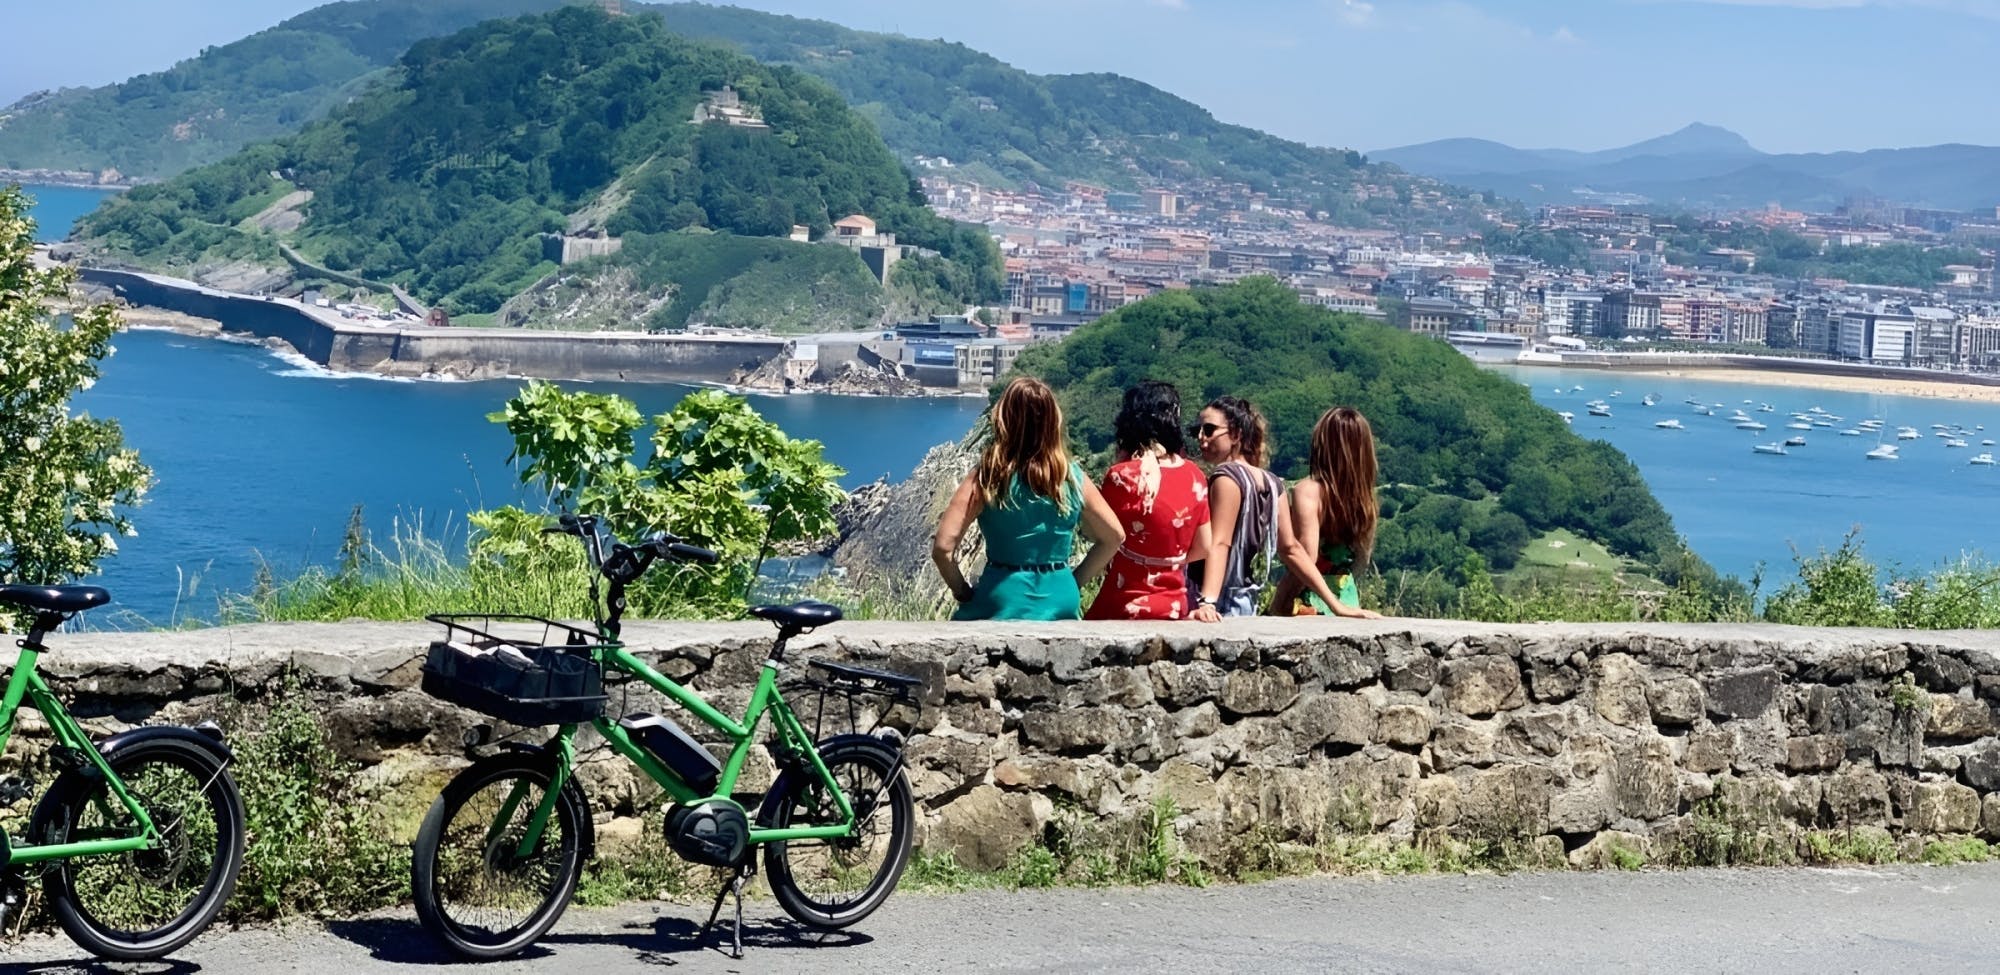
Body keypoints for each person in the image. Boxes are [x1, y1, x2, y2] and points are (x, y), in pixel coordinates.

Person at [933, 377, 1122, 621]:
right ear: (1053, 422)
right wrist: (1073, 582)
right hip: (1061, 598)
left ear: (1004, 419)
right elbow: (1114, 537)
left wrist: (963, 593)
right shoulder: (1072, 477)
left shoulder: (988, 476)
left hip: (1001, 597)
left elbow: (942, 548)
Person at [1186, 395, 1346, 620]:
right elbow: (1290, 548)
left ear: (1235, 434)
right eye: (1197, 431)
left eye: (1209, 429)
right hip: (1246, 604)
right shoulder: (1272, 483)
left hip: (1216, 605)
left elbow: (1220, 543)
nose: (1202, 438)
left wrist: (1208, 601)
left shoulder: (1225, 478)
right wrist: (1336, 605)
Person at [1084, 381, 1213, 621]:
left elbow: (1098, 535)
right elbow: (1205, 546)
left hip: (1124, 601)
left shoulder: (1122, 476)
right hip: (1175, 605)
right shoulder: (1195, 475)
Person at [1264, 406, 1386, 620]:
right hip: (1347, 596)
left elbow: (1306, 558)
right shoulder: (1366, 499)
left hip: (1311, 600)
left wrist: (1280, 601)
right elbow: (1361, 559)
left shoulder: (1308, 491)